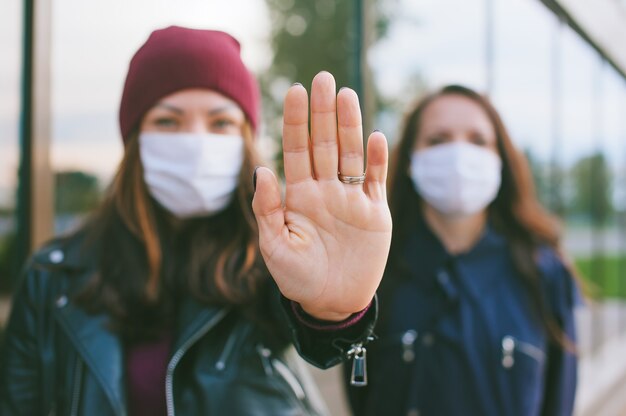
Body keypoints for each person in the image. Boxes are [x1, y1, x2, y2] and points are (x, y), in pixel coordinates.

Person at [0, 26, 392, 415]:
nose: (196, 142)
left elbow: (318, 346)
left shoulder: (278, 255)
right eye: (168, 122)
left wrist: (333, 314)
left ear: (245, 139)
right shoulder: (53, 276)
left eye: (220, 123)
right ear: (135, 141)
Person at [345, 85, 578, 416]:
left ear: (500, 160)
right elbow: (361, 395)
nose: (458, 155)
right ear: (411, 160)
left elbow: (559, 401)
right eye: (438, 140)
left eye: (478, 141)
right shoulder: (376, 271)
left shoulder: (544, 272)